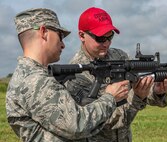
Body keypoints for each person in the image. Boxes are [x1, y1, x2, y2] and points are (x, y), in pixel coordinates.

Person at [6, 8, 130, 142]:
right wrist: (110, 97)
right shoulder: (35, 81)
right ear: (43, 32)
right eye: (60, 36)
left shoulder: (32, 76)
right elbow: (77, 125)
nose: (63, 44)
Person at [65, 7, 167, 142]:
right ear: (82, 35)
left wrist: (155, 91)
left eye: (110, 36)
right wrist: (137, 97)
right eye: (100, 38)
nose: (106, 43)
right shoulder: (77, 72)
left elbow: (139, 87)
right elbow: (99, 120)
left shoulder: (119, 56)